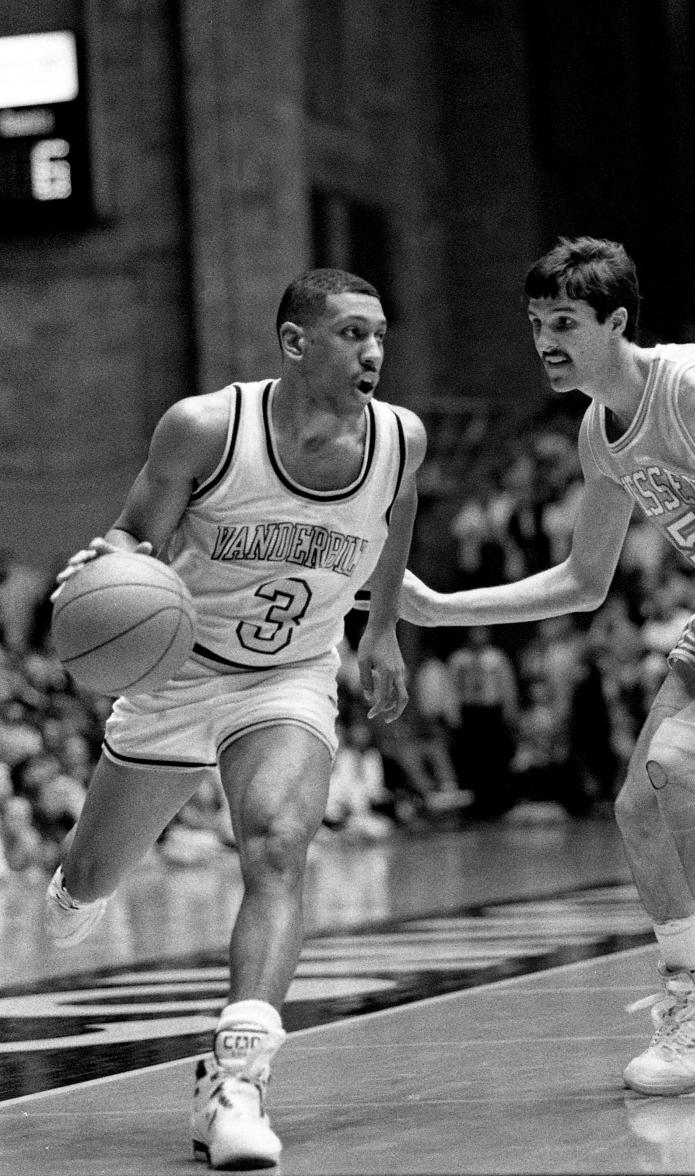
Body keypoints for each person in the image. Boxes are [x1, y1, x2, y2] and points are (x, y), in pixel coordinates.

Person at [387, 236, 695, 1096]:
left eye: (565, 322)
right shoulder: (599, 431)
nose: (546, 340)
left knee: (681, 767)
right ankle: (688, 995)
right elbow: (584, 582)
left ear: (617, 322)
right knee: (636, 806)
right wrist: (439, 607)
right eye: (536, 322)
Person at [44, 268, 426, 1168]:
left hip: (288, 678)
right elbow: (136, 533)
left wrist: (381, 635)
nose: (373, 352)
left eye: (380, 334)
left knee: (279, 841)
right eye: (351, 334)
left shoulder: (402, 438)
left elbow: (396, 520)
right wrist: (106, 565)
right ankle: (75, 883)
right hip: (175, 675)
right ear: (296, 344)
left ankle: (237, 1081)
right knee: (91, 880)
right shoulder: (206, 427)